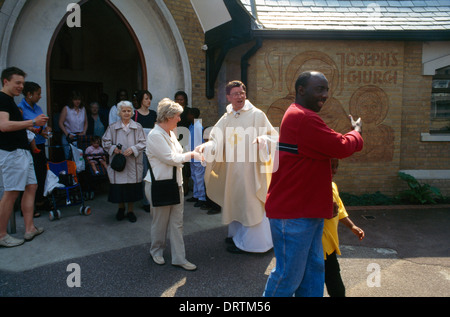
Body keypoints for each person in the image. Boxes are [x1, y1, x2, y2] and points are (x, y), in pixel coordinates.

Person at [263, 71, 363, 297]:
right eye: (320, 89)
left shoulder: (298, 115)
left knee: (312, 275)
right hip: (294, 215)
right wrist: (356, 132)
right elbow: (341, 146)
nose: (325, 95)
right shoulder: (303, 117)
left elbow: (323, 146)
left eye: (326, 90)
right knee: (288, 277)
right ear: (301, 90)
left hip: (306, 213)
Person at [195, 80, 279, 254]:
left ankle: (254, 244)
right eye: (235, 94)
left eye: (242, 93)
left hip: (251, 170)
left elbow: (273, 137)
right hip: (233, 170)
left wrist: (263, 140)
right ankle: (237, 236)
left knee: (250, 203)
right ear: (228, 97)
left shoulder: (257, 115)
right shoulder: (227, 118)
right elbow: (216, 140)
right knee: (235, 201)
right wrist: (206, 147)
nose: (239, 96)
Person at [145, 98, 202, 271]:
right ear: (168, 116)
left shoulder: (170, 133)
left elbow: (178, 154)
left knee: (177, 223)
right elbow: (171, 159)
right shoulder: (155, 135)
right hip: (159, 185)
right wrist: (191, 155)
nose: (179, 119)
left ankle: (179, 258)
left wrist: (192, 152)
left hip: (175, 184)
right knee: (160, 223)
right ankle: (156, 251)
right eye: (177, 116)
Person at [0, 67, 48, 247]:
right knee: (11, 193)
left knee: (32, 186)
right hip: (12, 152)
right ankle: (1, 235)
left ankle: (29, 229)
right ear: (6, 81)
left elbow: (12, 124)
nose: (21, 86)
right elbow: (3, 125)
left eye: (22, 83)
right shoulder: (2, 98)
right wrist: (33, 122)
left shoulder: (10, 100)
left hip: (22, 151)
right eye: (17, 83)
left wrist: (29, 128)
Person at [323, 158, 365, 297]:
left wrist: (352, 226)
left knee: (335, 285)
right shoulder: (313, 187)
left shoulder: (333, 186)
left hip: (330, 246)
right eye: (331, 166)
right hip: (316, 247)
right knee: (313, 284)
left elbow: (340, 211)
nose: (334, 170)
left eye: (337, 166)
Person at [102, 100, 146, 223]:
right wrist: (113, 148)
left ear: (132, 112)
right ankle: (120, 209)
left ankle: (130, 211)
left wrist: (133, 149)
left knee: (131, 188)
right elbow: (105, 141)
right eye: (124, 111)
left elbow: (144, 142)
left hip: (133, 163)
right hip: (119, 163)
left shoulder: (137, 127)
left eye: (128, 111)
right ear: (119, 113)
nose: (126, 113)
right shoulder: (112, 127)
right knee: (119, 188)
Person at [18, 81, 53, 216]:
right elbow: (22, 126)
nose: (40, 96)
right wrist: (37, 130)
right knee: (28, 177)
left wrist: (46, 129)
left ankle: (40, 201)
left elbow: (42, 124)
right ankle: (26, 208)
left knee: (41, 173)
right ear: (29, 94)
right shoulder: (20, 108)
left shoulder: (38, 108)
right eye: (38, 94)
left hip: (40, 143)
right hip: (28, 146)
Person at [133, 90, 157, 212]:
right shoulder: (135, 114)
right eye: (146, 98)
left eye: (149, 98)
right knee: (144, 176)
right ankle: (146, 201)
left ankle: (153, 199)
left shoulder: (153, 114)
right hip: (141, 149)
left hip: (152, 149)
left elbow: (157, 130)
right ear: (140, 100)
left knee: (154, 175)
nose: (148, 101)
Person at [186, 108, 207, 208]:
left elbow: (199, 142)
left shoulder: (198, 127)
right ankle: (196, 195)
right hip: (192, 156)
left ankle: (201, 198)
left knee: (199, 177)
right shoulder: (192, 126)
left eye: (189, 114)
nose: (187, 116)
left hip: (197, 156)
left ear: (193, 115)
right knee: (194, 176)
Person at [58, 91, 88, 159]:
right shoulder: (66, 108)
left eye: (79, 99)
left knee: (80, 158)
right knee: (69, 158)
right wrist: (67, 134)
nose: (77, 101)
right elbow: (60, 123)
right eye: (75, 99)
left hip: (80, 137)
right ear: (71, 100)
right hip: (69, 136)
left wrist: (84, 132)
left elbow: (86, 122)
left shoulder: (83, 109)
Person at [174, 91, 191, 195]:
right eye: (177, 99)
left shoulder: (189, 111)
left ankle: (186, 187)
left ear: (185, 100)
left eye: (181, 99)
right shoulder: (173, 111)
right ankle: (177, 187)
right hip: (175, 140)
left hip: (186, 141)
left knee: (186, 165)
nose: (179, 101)